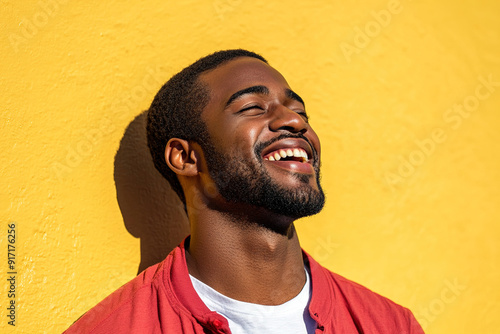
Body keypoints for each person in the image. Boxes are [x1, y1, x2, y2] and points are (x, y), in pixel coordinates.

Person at [64, 49, 424, 333]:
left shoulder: (391, 325)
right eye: (253, 107)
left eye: (300, 111)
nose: (296, 122)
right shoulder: (112, 329)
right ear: (186, 157)